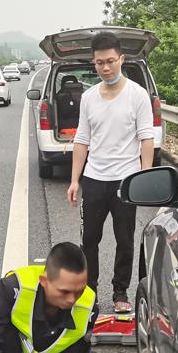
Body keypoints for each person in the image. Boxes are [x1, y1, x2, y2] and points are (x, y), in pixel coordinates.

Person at [66, 33, 156, 314]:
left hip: (126, 180)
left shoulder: (137, 95)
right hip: (94, 179)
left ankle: (120, 291)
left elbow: (146, 138)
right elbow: (82, 140)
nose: (105, 68)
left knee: (125, 240)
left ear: (121, 59)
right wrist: (74, 180)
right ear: (94, 63)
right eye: (99, 63)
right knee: (89, 240)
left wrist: (145, 178)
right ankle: (89, 292)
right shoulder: (89, 97)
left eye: (110, 61)